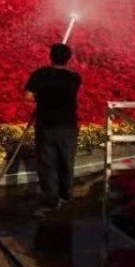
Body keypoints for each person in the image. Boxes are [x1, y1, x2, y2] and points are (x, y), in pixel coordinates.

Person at [24, 42, 82, 209]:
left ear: (50, 56)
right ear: (69, 58)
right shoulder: (75, 77)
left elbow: (28, 96)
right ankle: (66, 195)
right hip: (68, 126)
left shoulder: (39, 74)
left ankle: (51, 199)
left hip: (46, 125)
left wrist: (41, 98)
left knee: (47, 163)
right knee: (66, 160)